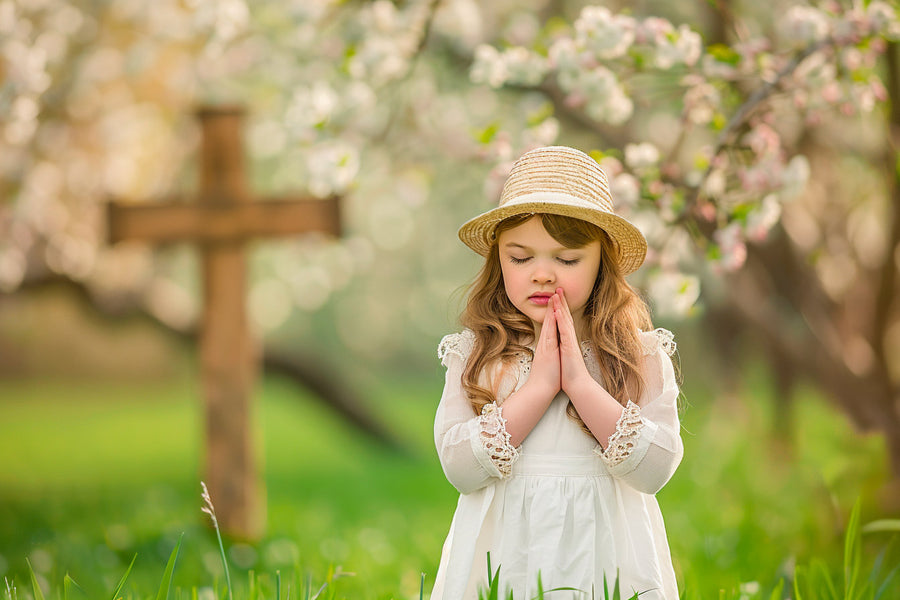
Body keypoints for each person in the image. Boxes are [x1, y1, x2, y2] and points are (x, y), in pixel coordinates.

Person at [430, 146, 683, 599]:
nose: (543, 274)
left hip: (605, 558)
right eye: (520, 258)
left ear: (602, 261)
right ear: (498, 260)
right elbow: (461, 470)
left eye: (567, 260)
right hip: (507, 559)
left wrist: (580, 384)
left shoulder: (638, 355)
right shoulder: (477, 354)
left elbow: (654, 471)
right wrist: (541, 386)